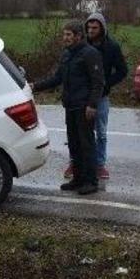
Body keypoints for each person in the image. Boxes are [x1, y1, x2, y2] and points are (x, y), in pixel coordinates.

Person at [30, 20, 104, 195]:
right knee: (74, 144)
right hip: (70, 106)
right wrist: (35, 86)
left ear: (79, 36)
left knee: (87, 144)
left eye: (68, 35)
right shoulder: (66, 55)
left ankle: (91, 181)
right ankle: (77, 179)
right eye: (64, 34)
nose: (65, 38)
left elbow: (98, 82)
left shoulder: (90, 54)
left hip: (84, 107)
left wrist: (92, 104)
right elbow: (57, 78)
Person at [62, 12, 127, 181]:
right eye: (88, 27)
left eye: (95, 27)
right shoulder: (81, 47)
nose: (91, 30)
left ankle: (99, 164)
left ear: (102, 28)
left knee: (101, 132)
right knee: (78, 133)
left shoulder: (111, 47)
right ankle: (75, 162)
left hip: (101, 96)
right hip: (82, 96)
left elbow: (122, 71)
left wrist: (106, 84)